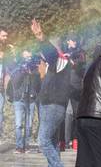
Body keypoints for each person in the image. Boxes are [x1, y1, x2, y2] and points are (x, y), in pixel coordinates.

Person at [31, 19, 77, 167]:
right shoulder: (57, 64)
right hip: (49, 104)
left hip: (53, 105)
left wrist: (40, 37)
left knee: (43, 140)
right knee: (52, 141)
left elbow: (50, 53)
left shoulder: (61, 61)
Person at [6, 50, 41, 153]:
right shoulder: (17, 68)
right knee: (18, 124)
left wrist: (32, 72)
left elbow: (37, 85)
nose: (28, 59)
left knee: (29, 125)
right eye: (26, 57)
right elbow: (15, 83)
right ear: (22, 57)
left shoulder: (34, 70)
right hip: (19, 99)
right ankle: (19, 146)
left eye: (29, 57)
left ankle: (26, 145)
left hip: (30, 100)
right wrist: (22, 70)